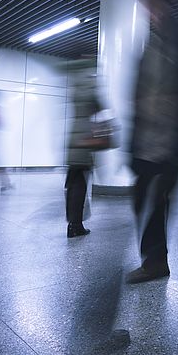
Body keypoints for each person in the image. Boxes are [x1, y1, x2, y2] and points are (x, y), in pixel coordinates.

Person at [125, 0, 178, 285]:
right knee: (142, 200)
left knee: (156, 201)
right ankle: (154, 259)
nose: (146, 8)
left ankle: (156, 262)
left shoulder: (177, 40)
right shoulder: (154, 39)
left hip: (169, 141)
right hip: (147, 141)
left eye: (150, 2)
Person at [63, 57, 103, 238]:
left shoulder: (74, 82)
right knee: (79, 185)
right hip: (85, 138)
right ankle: (76, 225)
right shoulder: (89, 82)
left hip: (73, 136)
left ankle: (72, 223)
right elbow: (99, 105)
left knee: (72, 184)